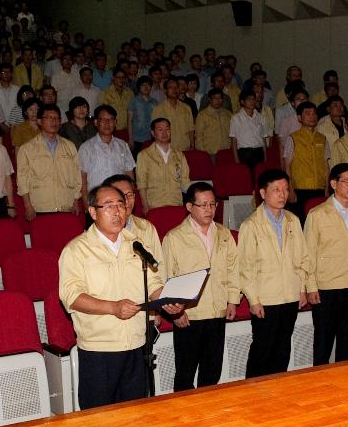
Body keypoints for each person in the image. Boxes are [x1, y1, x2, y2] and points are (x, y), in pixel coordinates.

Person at [58, 184, 182, 409]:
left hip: (137, 344)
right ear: (93, 212)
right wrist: (113, 307)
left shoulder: (136, 245)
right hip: (100, 350)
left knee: (135, 417)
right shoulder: (77, 250)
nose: (117, 212)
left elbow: (153, 283)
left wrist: (167, 301)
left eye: (120, 205)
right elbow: (71, 297)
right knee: (99, 420)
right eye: (108, 206)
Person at [161, 182, 240, 390]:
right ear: (189, 207)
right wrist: (177, 314)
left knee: (212, 372)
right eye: (203, 205)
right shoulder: (175, 237)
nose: (209, 209)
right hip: (189, 316)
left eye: (213, 204)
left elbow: (233, 269)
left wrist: (232, 300)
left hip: (217, 313)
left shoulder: (224, 234)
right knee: (185, 374)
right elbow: (167, 278)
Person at [238, 168, 307, 377]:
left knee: (283, 348)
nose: (282, 194)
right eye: (276, 189)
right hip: (265, 299)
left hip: (289, 295)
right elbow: (244, 267)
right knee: (262, 350)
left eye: (285, 189)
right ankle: (254, 396)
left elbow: (303, 258)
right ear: (262, 193)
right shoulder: (250, 225)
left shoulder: (293, 221)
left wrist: (302, 288)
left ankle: (278, 395)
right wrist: (253, 300)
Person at [304, 164, 348, 365]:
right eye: (347, 181)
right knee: (323, 344)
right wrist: (311, 285)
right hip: (327, 288)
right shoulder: (317, 214)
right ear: (334, 183)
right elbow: (308, 253)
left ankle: (347, 385)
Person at [16, 103, 82, 220]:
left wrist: (76, 200)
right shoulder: (27, 149)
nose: (54, 121)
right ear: (39, 121)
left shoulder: (70, 146)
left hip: (66, 206)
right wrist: (28, 206)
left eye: (57, 118)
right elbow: (22, 181)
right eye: (49, 118)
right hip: (40, 208)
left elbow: (77, 175)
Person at [282, 101, 330, 222]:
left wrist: (327, 188)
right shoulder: (292, 138)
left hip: (319, 188)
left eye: (314, 113)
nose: (312, 116)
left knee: (318, 224)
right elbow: (286, 166)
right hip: (300, 189)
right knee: (301, 224)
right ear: (299, 118)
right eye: (307, 113)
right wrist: (290, 190)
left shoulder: (322, 138)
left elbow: (326, 165)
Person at [79, 105, 135, 197]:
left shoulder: (123, 145)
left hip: (120, 199)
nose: (107, 123)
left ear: (115, 122)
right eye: (103, 120)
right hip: (97, 201)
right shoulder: (86, 147)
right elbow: (82, 180)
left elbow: (129, 175)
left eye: (111, 120)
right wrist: (87, 207)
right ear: (96, 122)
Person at [135, 117, 189, 213]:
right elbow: (141, 183)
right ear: (152, 133)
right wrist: (145, 205)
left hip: (176, 204)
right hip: (154, 206)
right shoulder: (144, 155)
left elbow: (185, 181)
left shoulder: (179, 155)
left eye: (167, 129)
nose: (164, 133)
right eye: (160, 129)